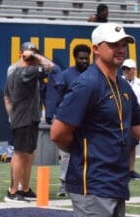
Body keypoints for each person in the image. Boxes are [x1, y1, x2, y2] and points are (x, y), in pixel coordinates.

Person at [50, 23, 140, 217]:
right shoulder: (88, 84)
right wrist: (82, 151)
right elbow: (57, 133)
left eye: (123, 44)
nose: (120, 49)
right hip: (92, 184)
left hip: (116, 182)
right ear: (96, 49)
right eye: (113, 44)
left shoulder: (123, 87)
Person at [4, 42, 55, 202]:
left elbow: (6, 96)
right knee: (20, 154)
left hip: (30, 117)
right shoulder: (25, 71)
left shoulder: (17, 70)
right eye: (32, 55)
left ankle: (24, 189)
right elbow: (50, 66)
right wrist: (35, 56)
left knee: (29, 154)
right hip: (23, 119)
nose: (35, 58)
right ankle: (13, 191)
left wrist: (11, 114)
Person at [45, 44, 91, 197]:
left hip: (89, 120)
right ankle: (64, 183)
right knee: (66, 153)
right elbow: (57, 97)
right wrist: (54, 115)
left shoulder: (94, 74)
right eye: (81, 58)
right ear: (75, 58)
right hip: (69, 119)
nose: (84, 61)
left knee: (90, 152)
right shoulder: (66, 75)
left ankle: (87, 182)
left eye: (86, 58)